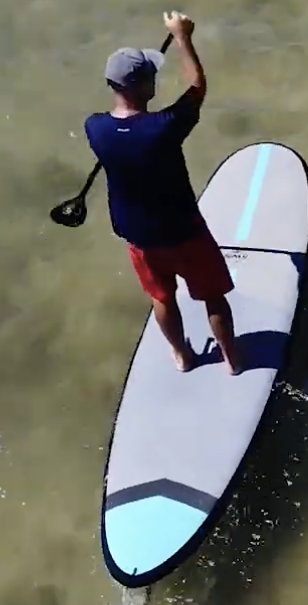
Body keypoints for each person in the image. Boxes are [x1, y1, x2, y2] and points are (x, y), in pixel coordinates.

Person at [85, 11, 241, 375]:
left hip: (139, 238)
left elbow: (125, 125)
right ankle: (233, 361)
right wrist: (183, 38)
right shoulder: (163, 128)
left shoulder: (95, 128)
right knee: (213, 297)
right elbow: (197, 86)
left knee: (161, 297)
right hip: (184, 232)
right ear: (145, 87)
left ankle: (183, 357)